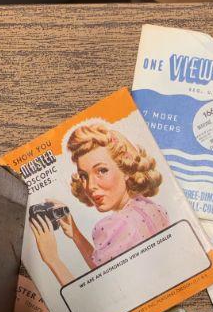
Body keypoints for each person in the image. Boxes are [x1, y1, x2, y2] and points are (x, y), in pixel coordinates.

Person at [30, 119, 169, 286]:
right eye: (84, 176)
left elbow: (107, 295)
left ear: (126, 169)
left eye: (102, 171)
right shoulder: (153, 208)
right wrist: (75, 234)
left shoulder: (114, 225)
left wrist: (52, 259)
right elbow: (105, 269)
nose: (90, 186)